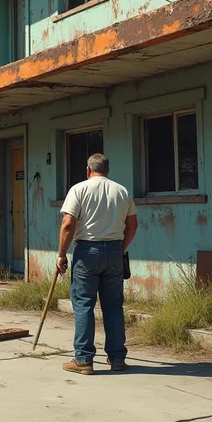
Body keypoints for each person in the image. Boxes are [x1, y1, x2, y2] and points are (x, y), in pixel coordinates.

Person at [57, 153, 138, 375]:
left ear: (88, 170)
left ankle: (83, 359)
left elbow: (67, 223)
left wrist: (61, 254)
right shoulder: (121, 191)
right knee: (113, 306)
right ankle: (117, 358)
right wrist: (122, 247)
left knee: (84, 304)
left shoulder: (79, 189)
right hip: (114, 250)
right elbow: (133, 225)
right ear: (108, 171)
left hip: (87, 250)